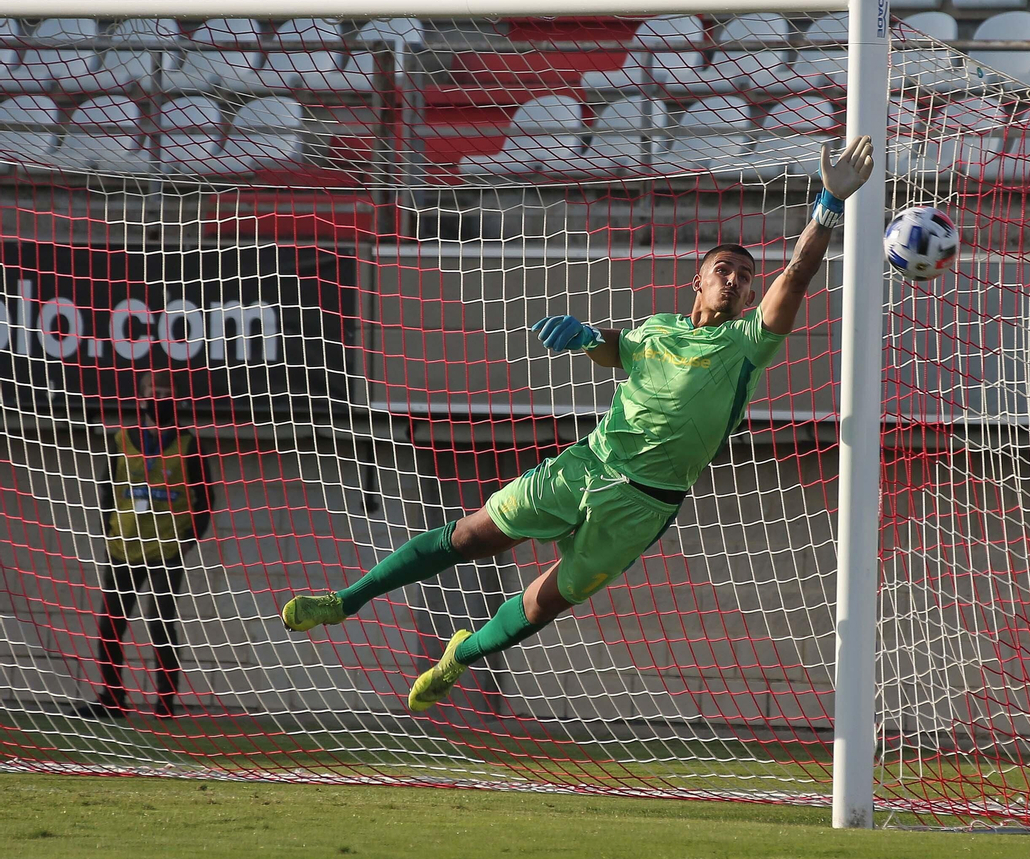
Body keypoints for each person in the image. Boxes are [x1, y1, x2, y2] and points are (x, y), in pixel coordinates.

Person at [280, 136, 875, 712]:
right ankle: (343, 601)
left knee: (543, 605)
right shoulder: (655, 329)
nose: (737, 279)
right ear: (698, 279)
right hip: (587, 464)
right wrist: (589, 337)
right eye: (725, 268)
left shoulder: (748, 342)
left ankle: (460, 656)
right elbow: (620, 347)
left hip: (644, 505)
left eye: (746, 277)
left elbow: (795, 276)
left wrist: (827, 207)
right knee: (470, 537)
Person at [76, 369, 215, 720]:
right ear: (142, 396)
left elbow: (206, 499)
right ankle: (113, 698)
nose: (159, 398)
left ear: (178, 399)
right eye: (154, 391)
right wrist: (108, 531)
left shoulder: (189, 443)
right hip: (123, 547)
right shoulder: (121, 439)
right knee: (110, 624)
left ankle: (165, 704)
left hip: (166, 548)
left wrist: (188, 540)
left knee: (160, 624)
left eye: (166, 392)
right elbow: (108, 490)